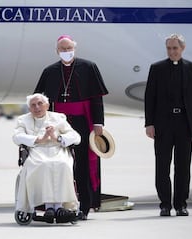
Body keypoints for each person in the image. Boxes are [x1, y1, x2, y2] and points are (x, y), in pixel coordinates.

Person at [34, 34, 108, 220]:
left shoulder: (89, 67)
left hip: (82, 122)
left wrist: (98, 123)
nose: (66, 52)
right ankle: (57, 204)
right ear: (57, 51)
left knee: (82, 164)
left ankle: (85, 206)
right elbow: (40, 100)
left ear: (74, 48)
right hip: (58, 124)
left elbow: (96, 98)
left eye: (69, 49)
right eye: (63, 49)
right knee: (58, 164)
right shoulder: (50, 71)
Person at [144, 33, 192, 217]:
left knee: (183, 166)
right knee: (162, 165)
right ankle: (164, 204)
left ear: (182, 49)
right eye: (169, 48)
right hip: (163, 124)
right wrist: (149, 123)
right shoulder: (157, 68)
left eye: (175, 48)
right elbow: (150, 98)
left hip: (185, 124)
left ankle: (181, 204)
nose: (172, 52)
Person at [13, 93, 80, 223]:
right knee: (43, 164)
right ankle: (50, 207)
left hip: (57, 149)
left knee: (62, 164)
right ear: (29, 108)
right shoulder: (23, 120)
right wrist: (39, 139)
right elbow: (17, 137)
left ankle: (59, 207)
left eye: (40, 104)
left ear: (47, 105)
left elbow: (76, 136)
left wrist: (57, 138)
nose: (37, 107)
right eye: (33, 105)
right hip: (37, 150)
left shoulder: (58, 118)